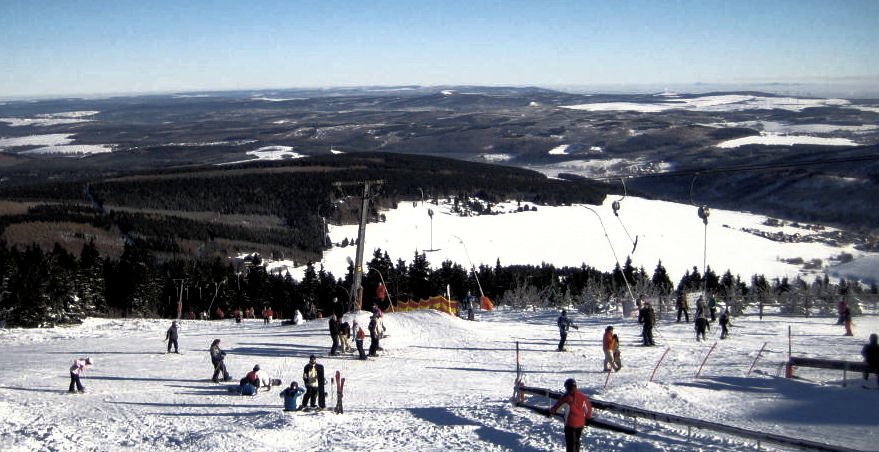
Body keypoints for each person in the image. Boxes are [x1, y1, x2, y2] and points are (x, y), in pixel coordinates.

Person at [548, 378, 592, 452]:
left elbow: (557, 407)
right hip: (580, 424)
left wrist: (550, 412)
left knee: (570, 444)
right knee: (577, 442)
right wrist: (588, 418)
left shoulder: (566, 397)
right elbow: (588, 409)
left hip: (570, 424)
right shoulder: (583, 397)